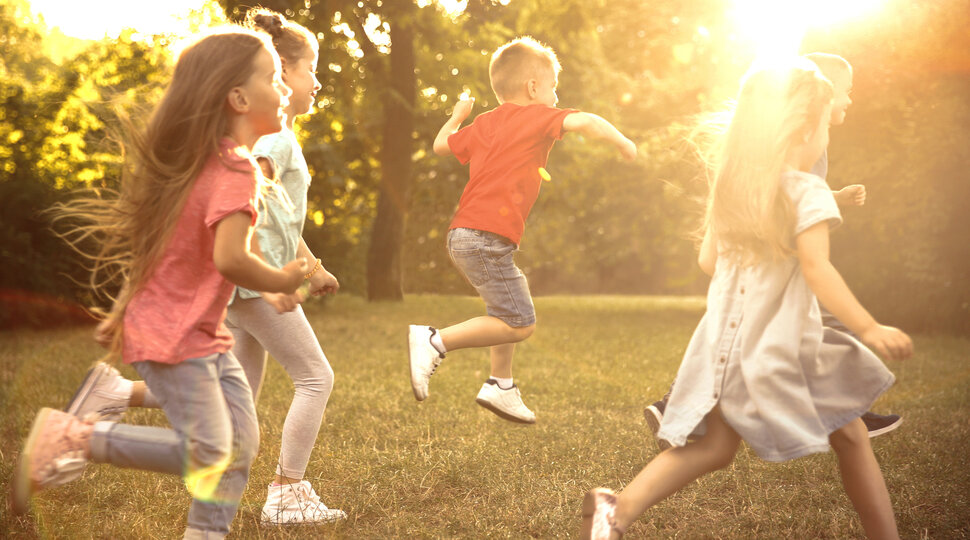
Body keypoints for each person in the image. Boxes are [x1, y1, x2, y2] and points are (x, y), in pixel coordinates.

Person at [581, 59, 912, 539]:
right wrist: (868, 328)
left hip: (721, 344)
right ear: (803, 128)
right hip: (781, 347)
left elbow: (708, 262)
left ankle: (617, 509)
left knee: (714, 447)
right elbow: (818, 269)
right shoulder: (806, 191)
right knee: (853, 436)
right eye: (822, 124)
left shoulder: (734, 188)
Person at [55, 9, 348, 527]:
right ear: (241, 96)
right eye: (288, 75)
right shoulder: (254, 154)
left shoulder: (228, 155)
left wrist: (302, 265)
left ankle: (118, 400)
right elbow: (234, 241)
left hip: (224, 302)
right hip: (240, 293)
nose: (308, 83)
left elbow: (256, 216)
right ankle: (287, 489)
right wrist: (277, 278)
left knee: (237, 424)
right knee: (311, 380)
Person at [643, 52, 901, 448]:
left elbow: (710, 258)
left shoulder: (739, 172)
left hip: (745, 292)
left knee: (717, 439)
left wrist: (832, 198)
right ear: (810, 108)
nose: (848, 100)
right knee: (829, 333)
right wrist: (870, 327)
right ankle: (846, 414)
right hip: (778, 284)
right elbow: (802, 225)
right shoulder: (805, 155)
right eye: (842, 93)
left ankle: (634, 484)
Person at [408, 36, 637, 424]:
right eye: (552, 87)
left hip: (466, 233)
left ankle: (501, 385)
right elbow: (586, 121)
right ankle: (434, 341)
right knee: (520, 322)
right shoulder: (537, 116)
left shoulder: (484, 124)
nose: (555, 95)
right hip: (484, 236)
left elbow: (441, 144)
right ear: (533, 87)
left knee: (505, 309)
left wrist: (459, 114)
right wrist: (624, 142)